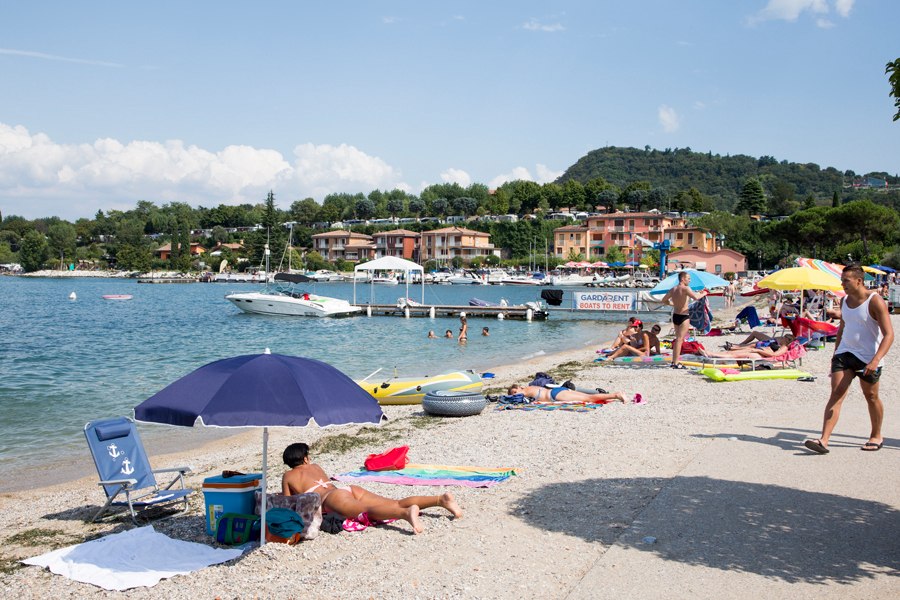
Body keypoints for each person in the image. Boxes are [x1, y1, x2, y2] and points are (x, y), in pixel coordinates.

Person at [804, 264, 894, 454]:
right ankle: (823, 440)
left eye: (846, 280)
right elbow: (843, 330)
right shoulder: (844, 301)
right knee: (836, 393)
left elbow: (889, 335)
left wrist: (876, 360)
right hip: (845, 354)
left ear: (859, 281)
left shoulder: (875, 301)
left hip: (869, 357)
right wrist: (835, 354)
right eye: (842, 280)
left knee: (871, 396)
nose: (842, 284)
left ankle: (876, 435)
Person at [281, 443, 462, 534]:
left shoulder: (288, 476)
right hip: (347, 489)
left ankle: (407, 514)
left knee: (368, 512)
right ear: (305, 459)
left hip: (331, 500)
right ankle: (440, 499)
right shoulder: (316, 467)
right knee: (395, 502)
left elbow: (287, 502)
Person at [661, 272, 708, 369]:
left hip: (675, 315)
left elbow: (664, 301)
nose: (690, 280)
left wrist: (673, 304)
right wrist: (704, 293)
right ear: (683, 278)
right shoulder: (686, 288)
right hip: (683, 316)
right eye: (688, 278)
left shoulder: (673, 289)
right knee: (679, 340)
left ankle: (674, 361)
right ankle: (676, 363)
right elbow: (695, 297)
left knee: (678, 339)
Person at [507, 384, 627, 404]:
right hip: (559, 390)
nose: (514, 394)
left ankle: (616, 395)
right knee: (585, 397)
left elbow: (518, 397)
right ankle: (615, 394)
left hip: (555, 395)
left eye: (514, 392)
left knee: (588, 398)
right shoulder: (532, 387)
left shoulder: (525, 390)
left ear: (518, 387)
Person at [700, 335, 795, 359]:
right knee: (731, 353)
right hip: (758, 351)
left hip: (760, 355)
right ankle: (710, 353)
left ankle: (710, 354)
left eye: (783, 337)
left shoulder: (784, 348)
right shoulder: (780, 344)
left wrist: (756, 350)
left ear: (786, 340)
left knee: (734, 355)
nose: (781, 338)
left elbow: (773, 355)